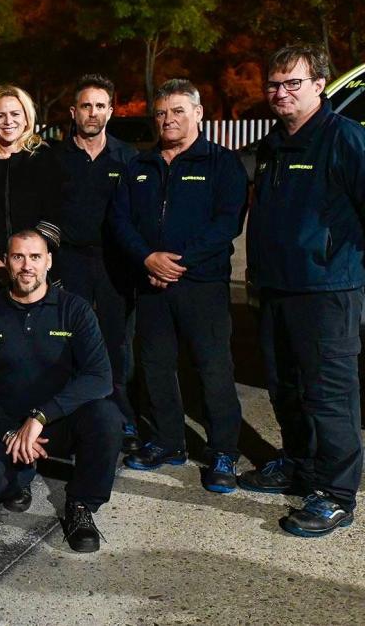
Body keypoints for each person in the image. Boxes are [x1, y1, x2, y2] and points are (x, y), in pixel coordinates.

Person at [242, 44, 365, 536]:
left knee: (330, 395)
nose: (281, 92)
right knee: (285, 385)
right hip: (275, 288)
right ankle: (298, 463)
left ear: (320, 85)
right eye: (273, 84)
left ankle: (336, 494)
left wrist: (342, 263)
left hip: (326, 291)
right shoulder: (273, 145)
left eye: (293, 82)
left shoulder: (345, 139)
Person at [109, 78, 248, 492]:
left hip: (201, 285)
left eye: (177, 111)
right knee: (155, 367)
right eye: (162, 113)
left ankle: (224, 451)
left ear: (198, 113)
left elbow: (227, 223)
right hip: (150, 284)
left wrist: (178, 263)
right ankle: (168, 441)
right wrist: (147, 259)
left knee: (213, 369)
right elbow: (120, 220)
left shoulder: (221, 164)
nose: (168, 120)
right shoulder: (139, 166)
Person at [0, 231, 122, 553]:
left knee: (107, 417)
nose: (27, 266)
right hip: (7, 424)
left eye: (35, 257)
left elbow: (100, 377)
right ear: (6, 261)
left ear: (49, 262)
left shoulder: (75, 310)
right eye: (18, 257)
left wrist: (41, 416)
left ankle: (82, 504)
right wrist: (9, 432)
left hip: (58, 420)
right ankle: (20, 474)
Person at [51, 76, 140, 452]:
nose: (93, 113)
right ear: (74, 111)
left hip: (113, 264)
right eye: (86, 106)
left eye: (100, 106)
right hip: (67, 261)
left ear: (111, 111)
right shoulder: (54, 158)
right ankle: (72, 413)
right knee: (70, 338)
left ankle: (121, 416)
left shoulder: (128, 157)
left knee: (116, 341)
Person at [0, 84, 62, 302]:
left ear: (26, 118)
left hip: (36, 271)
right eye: (1, 115)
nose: (8, 121)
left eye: (15, 114)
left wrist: (26, 261)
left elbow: (54, 214)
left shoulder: (44, 158)